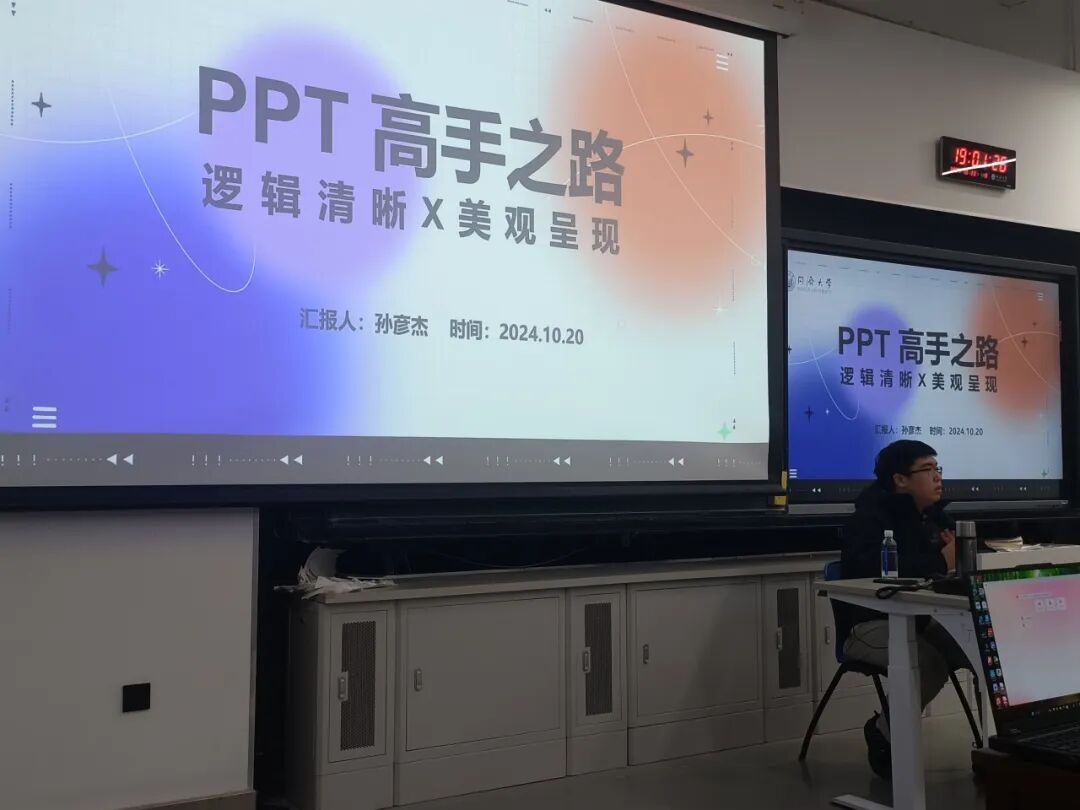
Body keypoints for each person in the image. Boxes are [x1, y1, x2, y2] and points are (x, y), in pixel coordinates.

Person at [838, 440, 972, 779]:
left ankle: (999, 750)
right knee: (924, 662)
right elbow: (877, 573)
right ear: (900, 480)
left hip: (921, 619)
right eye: (928, 470)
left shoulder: (934, 516)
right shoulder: (869, 520)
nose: (938, 477)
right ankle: (883, 732)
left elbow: (957, 557)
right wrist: (942, 560)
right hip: (868, 624)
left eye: (938, 469)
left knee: (984, 647)